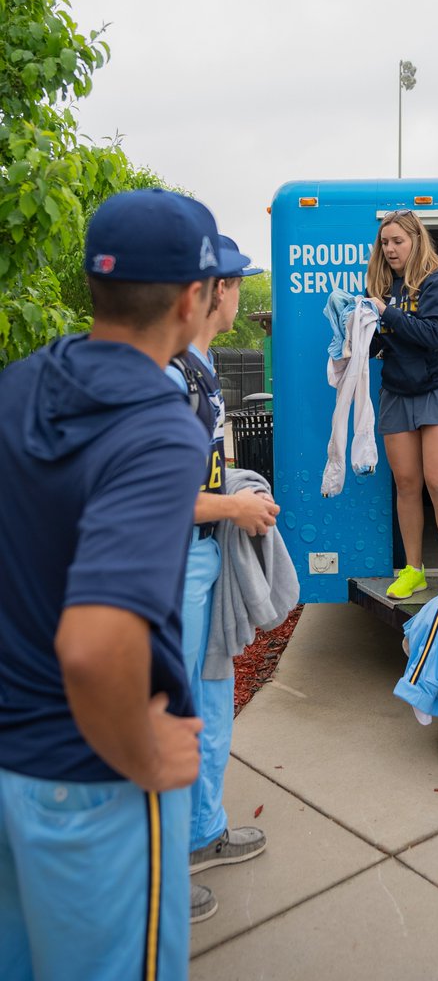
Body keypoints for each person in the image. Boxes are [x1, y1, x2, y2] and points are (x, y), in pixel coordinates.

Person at [0, 188, 224, 980]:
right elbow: (95, 648)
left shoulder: (20, 385)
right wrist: (140, 754)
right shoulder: (159, 428)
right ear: (193, 300)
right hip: (90, 781)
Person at [166, 235, 279, 920]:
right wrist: (235, 505)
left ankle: (202, 832)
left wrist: (233, 489)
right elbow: (154, 493)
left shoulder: (202, 367)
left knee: (208, 706)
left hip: (204, 558)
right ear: (216, 291)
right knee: (173, 717)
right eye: (236, 283)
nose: (239, 293)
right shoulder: (169, 374)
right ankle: (157, 876)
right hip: (173, 565)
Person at [366, 210, 438, 600]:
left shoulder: (437, 280)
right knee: (406, 483)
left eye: (397, 241)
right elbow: (382, 344)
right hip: (396, 390)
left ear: (416, 241)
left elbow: (432, 333)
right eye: (385, 242)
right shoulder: (381, 285)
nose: (390, 249)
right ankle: (414, 571)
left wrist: (384, 311)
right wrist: (356, 333)